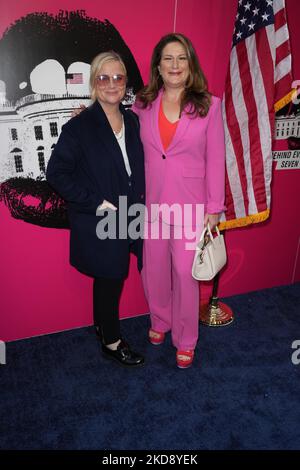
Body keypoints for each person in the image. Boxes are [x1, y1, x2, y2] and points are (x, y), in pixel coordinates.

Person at [132, 33, 226, 368]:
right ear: (158, 65)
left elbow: (216, 159)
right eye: (168, 58)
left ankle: (186, 339)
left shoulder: (210, 106)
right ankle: (159, 320)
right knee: (153, 270)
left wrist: (214, 208)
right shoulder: (142, 105)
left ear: (190, 64)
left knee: (186, 276)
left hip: (192, 207)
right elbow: (116, 131)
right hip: (154, 206)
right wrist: (87, 117)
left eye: (181, 58)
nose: (174, 65)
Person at [46, 51, 145, 367]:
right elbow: (56, 173)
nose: (112, 84)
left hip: (131, 212)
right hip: (104, 216)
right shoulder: (80, 126)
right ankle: (112, 342)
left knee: (112, 277)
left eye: (118, 77)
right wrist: (94, 202)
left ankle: (102, 326)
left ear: (125, 83)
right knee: (111, 276)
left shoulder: (132, 120)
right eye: (104, 77)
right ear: (94, 83)